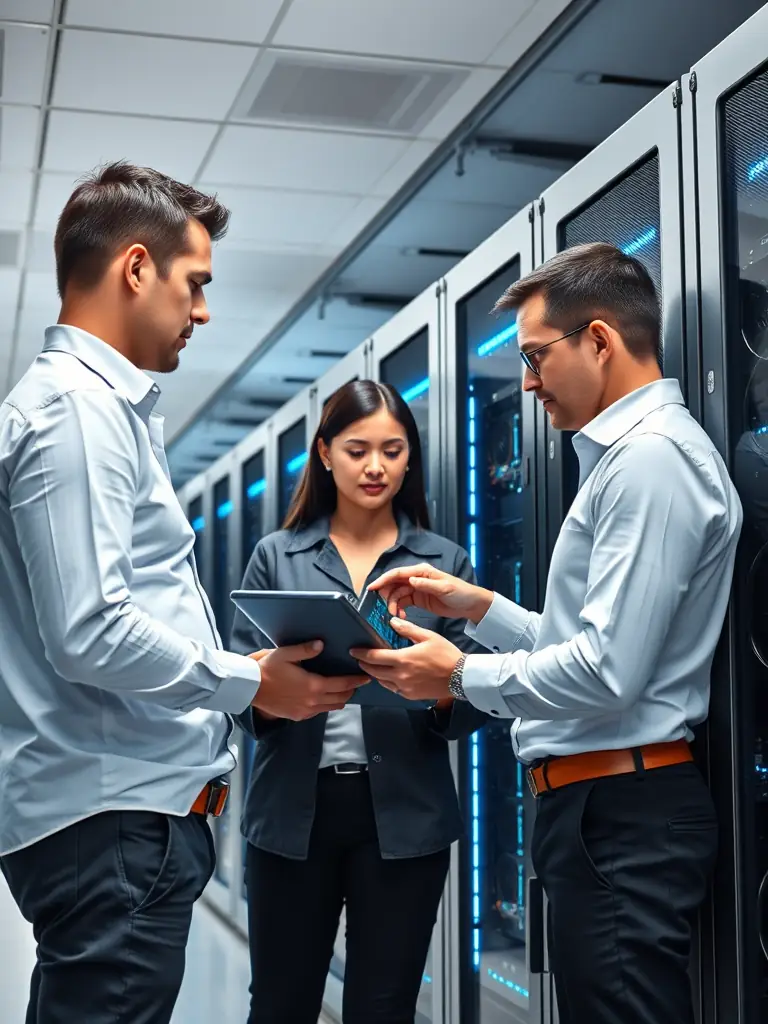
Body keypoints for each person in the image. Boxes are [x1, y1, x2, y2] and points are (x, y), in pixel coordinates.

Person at [0, 161, 363, 1024]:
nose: (202, 311)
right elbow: (91, 630)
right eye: (194, 284)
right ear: (136, 268)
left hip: (115, 823)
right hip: (114, 824)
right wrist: (248, 682)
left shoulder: (87, 409)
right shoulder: (77, 412)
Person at [353, 242, 743, 1024]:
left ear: (599, 340)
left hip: (620, 809)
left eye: (535, 357)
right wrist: (479, 607)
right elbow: (591, 644)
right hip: (604, 805)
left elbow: (605, 673)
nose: (527, 381)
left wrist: (456, 677)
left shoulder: (650, 462)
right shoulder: (629, 460)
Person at [230, 379, 486, 1024]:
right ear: (325, 454)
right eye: (357, 450)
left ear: (409, 458)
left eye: (392, 451)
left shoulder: (441, 563)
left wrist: (437, 685)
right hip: (291, 813)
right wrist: (278, 692)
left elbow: (475, 693)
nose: (376, 467)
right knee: (280, 1005)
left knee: (384, 1007)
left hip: (404, 816)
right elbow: (237, 688)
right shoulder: (276, 556)